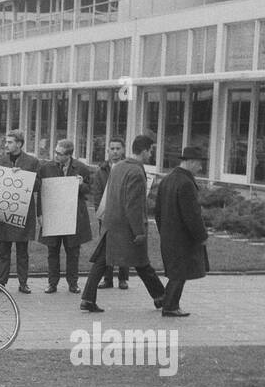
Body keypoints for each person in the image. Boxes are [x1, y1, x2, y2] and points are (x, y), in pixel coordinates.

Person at [79, 134, 168, 313]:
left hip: (111, 224)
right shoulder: (136, 171)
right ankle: (163, 298)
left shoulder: (119, 167)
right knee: (142, 263)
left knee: (103, 262)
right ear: (143, 151)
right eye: (150, 151)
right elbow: (133, 205)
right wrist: (139, 232)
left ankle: (88, 299)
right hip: (126, 228)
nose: (151, 155)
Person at [154, 146, 209, 318]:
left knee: (177, 272)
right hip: (182, 237)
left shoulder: (167, 179)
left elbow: (157, 211)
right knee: (180, 273)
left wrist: (163, 230)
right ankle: (170, 306)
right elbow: (192, 214)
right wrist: (202, 236)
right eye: (199, 164)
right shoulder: (186, 183)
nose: (200, 168)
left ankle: (170, 304)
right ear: (191, 162)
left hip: (169, 235)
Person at [37, 138, 94, 295]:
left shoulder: (81, 168)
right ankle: (52, 283)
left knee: (73, 251)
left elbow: (89, 190)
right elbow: (40, 191)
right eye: (55, 152)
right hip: (53, 213)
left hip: (72, 215)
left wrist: (81, 185)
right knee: (52, 250)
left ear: (69, 155)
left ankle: (73, 283)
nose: (56, 156)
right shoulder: (46, 168)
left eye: (60, 154)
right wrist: (39, 214)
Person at [0, 131, 40, 293]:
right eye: (6, 142)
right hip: (5, 211)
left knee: (22, 250)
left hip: (22, 211)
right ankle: (0, 282)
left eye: (10, 142)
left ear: (19, 144)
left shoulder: (31, 162)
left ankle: (23, 282)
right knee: (3, 250)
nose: (6, 145)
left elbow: (38, 186)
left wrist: (24, 177)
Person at [93, 138, 131, 290]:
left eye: (118, 148)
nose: (115, 152)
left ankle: (123, 278)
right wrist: (99, 211)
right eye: (112, 148)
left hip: (123, 212)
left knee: (124, 244)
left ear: (123, 150)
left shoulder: (127, 168)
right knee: (106, 246)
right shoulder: (101, 170)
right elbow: (97, 192)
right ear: (107, 151)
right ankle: (107, 278)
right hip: (106, 212)